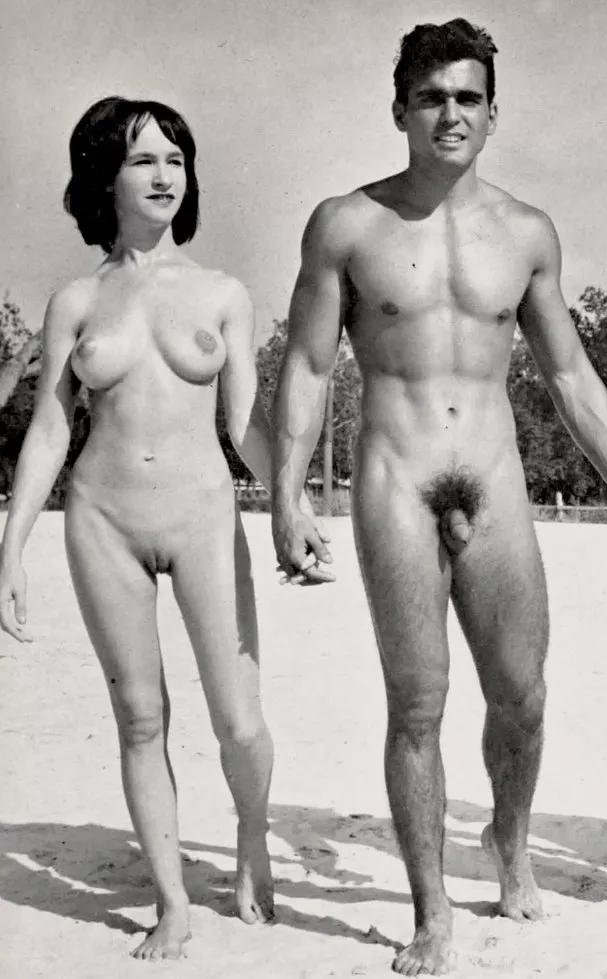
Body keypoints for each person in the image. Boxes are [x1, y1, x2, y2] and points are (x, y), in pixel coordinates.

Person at [270, 19, 607, 976]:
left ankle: (509, 842)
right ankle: (432, 911)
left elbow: (570, 374)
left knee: (522, 696)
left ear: (492, 114)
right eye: (432, 97)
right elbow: (307, 366)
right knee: (417, 704)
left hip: (497, 481)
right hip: (394, 482)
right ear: (400, 109)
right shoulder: (345, 225)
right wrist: (286, 497)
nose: (451, 114)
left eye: (468, 98)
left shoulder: (526, 233)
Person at [0, 97, 324, 960]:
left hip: (203, 515)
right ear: (104, 176)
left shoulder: (222, 293)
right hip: (101, 520)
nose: (163, 175)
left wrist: (290, 502)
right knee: (141, 717)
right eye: (142, 159)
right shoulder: (75, 300)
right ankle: (172, 900)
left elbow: (247, 423)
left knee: (239, 720)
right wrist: (12, 546)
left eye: (176, 159)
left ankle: (251, 838)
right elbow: (50, 429)